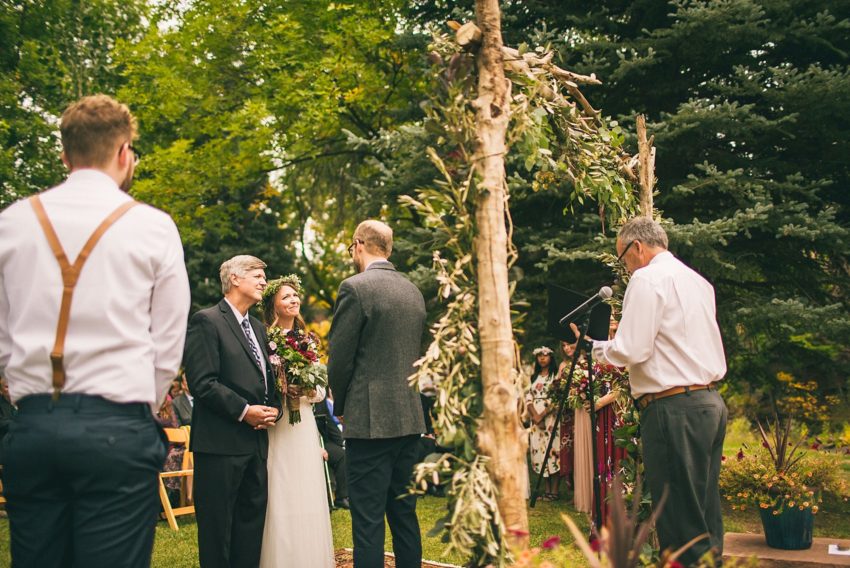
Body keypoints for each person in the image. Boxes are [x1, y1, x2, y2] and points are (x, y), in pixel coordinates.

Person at [0, 94, 191, 567]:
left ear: (64, 155)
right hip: (116, 429)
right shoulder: (153, 227)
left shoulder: (12, 223)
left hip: (35, 426)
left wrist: (23, 387)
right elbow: (168, 341)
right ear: (125, 153)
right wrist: (135, 405)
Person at [575, 216, 727, 565]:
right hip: (709, 403)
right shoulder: (698, 281)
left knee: (678, 518)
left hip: (673, 408)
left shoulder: (646, 278)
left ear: (637, 247)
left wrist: (594, 347)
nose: (624, 268)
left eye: (622, 257)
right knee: (704, 513)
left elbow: (632, 349)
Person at [328, 220, 426, 568]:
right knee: (404, 513)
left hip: (369, 421)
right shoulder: (412, 290)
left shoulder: (355, 288)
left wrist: (340, 406)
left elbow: (340, 360)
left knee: (367, 520)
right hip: (409, 418)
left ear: (359, 244)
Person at [183, 255, 282, 568]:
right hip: (220, 446)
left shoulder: (258, 327)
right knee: (218, 533)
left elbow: (267, 377)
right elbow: (202, 383)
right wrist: (244, 411)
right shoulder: (207, 321)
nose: (264, 282)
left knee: (250, 528)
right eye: (257, 275)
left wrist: (274, 409)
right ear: (235, 278)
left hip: (256, 444)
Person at [259, 274, 334, 568]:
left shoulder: (308, 340)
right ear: (273, 305)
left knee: (306, 484)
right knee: (281, 483)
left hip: (303, 423)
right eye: (286, 297)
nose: (293, 300)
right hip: (278, 424)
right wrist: (281, 389)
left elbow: (320, 391)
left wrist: (308, 390)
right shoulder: (266, 339)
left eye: (295, 296)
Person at [525, 346, 561, 500]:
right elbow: (528, 398)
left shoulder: (555, 376)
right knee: (539, 452)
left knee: (552, 450)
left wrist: (543, 415)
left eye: (545, 356)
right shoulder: (533, 377)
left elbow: (556, 398)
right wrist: (535, 416)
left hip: (550, 418)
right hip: (536, 419)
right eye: (539, 356)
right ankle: (546, 489)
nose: (542, 358)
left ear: (551, 358)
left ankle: (554, 490)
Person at [314, 389, 350, 509]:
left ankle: (342, 497)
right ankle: (326, 500)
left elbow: (328, 420)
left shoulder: (320, 391)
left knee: (341, 455)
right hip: (306, 441)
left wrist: (341, 441)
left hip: (322, 439)